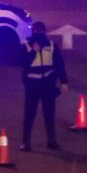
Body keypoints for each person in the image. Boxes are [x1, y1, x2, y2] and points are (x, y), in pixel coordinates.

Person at [21, 21, 68, 151]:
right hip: (32, 86)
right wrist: (33, 52)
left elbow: (59, 64)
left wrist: (64, 82)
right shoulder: (26, 46)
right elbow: (23, 64)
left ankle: (51, 141)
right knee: (29, 115)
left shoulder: (52, 46)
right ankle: (26, 142)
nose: (39, 35)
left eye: (41, 32)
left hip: (47, 84)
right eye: (37, 32)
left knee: (49, 114)